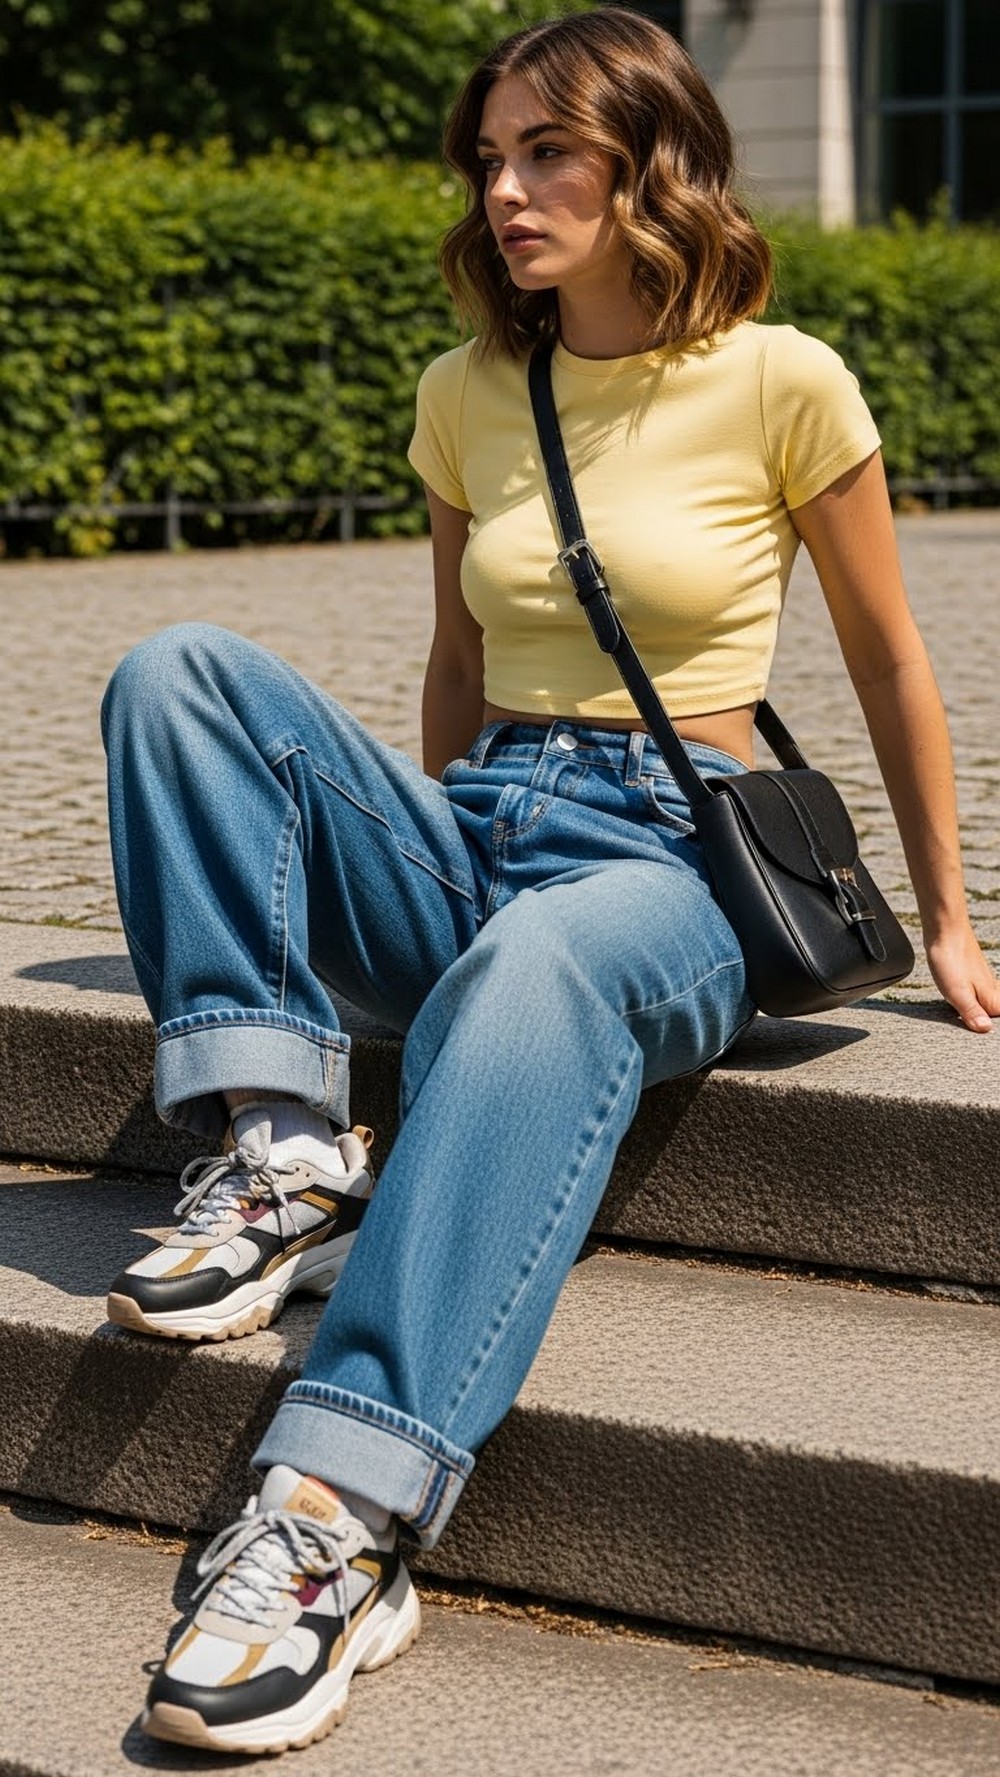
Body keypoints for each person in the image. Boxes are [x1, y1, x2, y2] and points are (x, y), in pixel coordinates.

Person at [100, 6, 999, 1756]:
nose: (506, 190)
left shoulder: (783, 376)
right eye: (488, 159)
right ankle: (282, 1145)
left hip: (676, 848)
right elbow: (455, 663)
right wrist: (420, 855)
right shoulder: (466, 390)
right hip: (490, 813)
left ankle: (336, 1521)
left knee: (536, 970)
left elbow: (894, 663)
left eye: (547, 153)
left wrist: (958, 919)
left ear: (648, 159)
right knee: (180, 666)